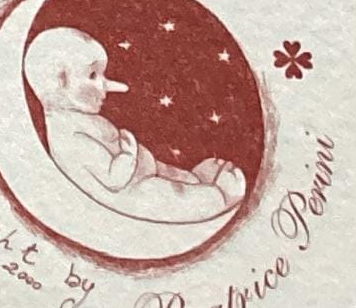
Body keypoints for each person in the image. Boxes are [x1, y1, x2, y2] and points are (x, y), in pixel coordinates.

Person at [24, 27, 248, 224]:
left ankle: (195, 181)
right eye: (93, 75)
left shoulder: (76, 118)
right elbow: (112, 179)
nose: (107, 85)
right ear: (60, 81)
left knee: (168, 174)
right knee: (171, 196)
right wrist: (129, 154)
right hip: (133, 192)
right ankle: (219, 198)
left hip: (142, 173)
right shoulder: (69, 136)